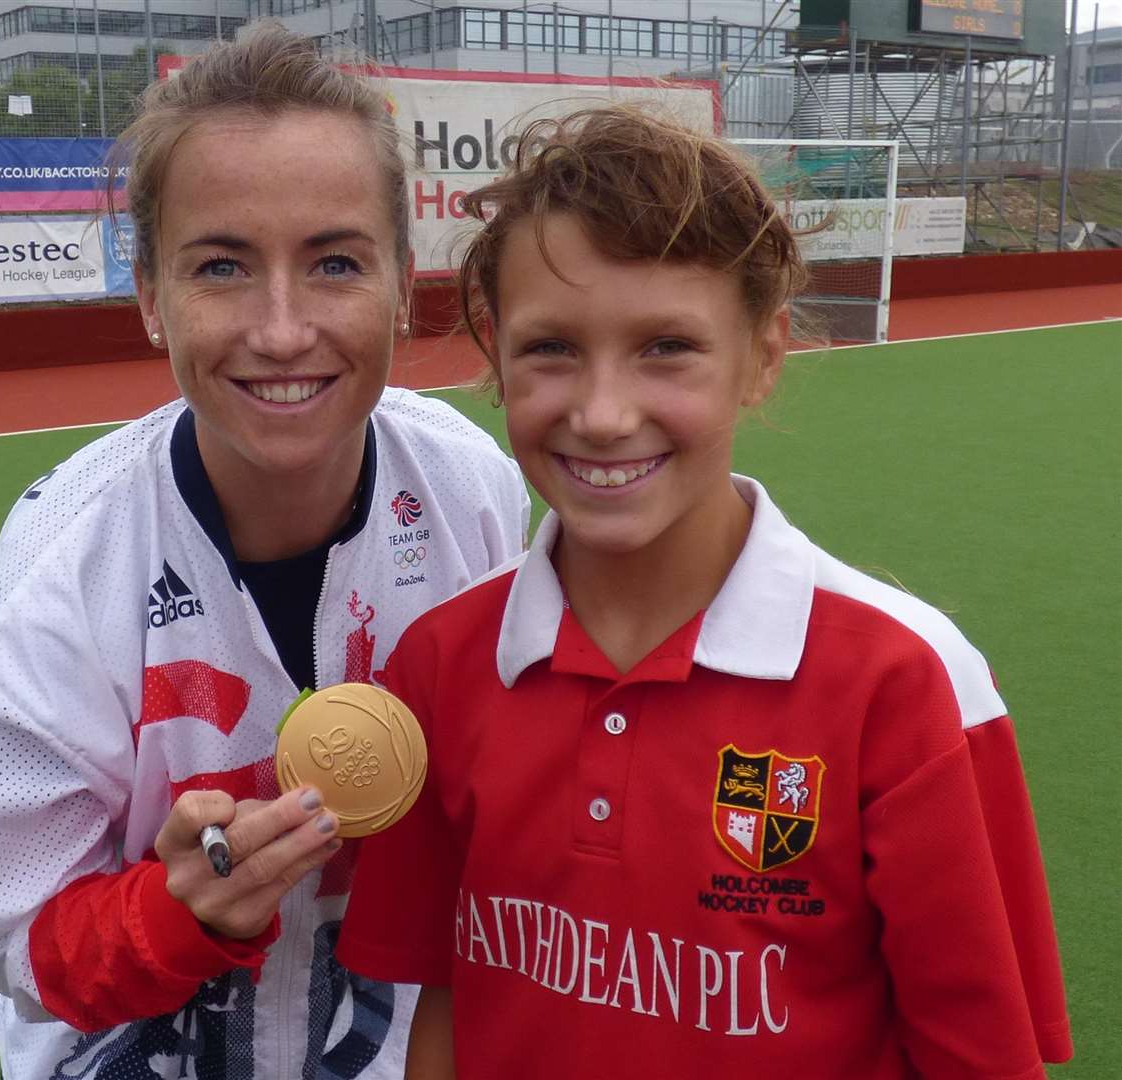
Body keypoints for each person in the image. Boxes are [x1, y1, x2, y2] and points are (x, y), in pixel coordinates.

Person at [337, 106, 1072, 1078]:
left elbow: (977, 1057)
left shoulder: (913, 680)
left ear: (762, 356)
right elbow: (441, 1002)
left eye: (665, 348)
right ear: (496, 356)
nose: (601, 414)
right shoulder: (438, 663)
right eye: (550, 347)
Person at [0, 24, 529, 1080]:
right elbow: (17, 945)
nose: (280, 329)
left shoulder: (468, 487)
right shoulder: (61, 568)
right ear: (147, 297)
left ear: (402, 284)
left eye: (335, 263)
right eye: (221, 265)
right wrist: (173, 916)